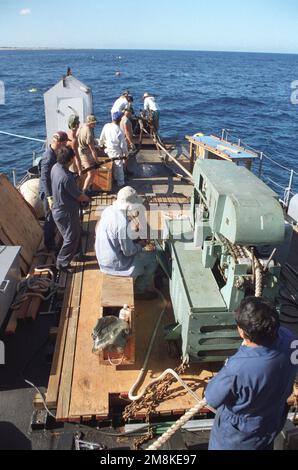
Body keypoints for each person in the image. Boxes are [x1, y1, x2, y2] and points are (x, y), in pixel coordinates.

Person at [205, 297, 298, 451]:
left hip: (239, 437)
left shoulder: (238, 368)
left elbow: (211, 398)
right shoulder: (290, 339)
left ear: (242, 332)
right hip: (271, 422)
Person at [95, 186, 158, 300]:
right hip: (114, 265)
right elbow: (128, 252)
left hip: (103, 259)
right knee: (153, 259)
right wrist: (140, 245)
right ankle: (140, 290)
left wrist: (133, 240)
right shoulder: (122, 224)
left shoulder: (108, 210)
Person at [51, 147, 90, 272]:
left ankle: (78, 255)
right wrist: (87, 199)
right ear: (71, 159)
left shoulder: (55, 168)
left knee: (75, 232)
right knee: (70, 238)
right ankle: (62, 263)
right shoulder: (66, 178)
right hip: (66, 213)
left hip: (60, 209)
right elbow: (79, 196)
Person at [39, 131, 70, 251]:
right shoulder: (48, 157)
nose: (66, 144)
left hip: (53, 190)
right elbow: (44, 178)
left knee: (53, 216)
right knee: (49, 217)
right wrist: (49, 197)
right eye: (65, 142)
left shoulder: (54, 153)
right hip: (48, 192)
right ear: (60, 142)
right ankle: (49, 244)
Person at [99, 111, 128, 188]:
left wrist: (101, 145)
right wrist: (126, 153)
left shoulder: (106, 126)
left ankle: (114, 179)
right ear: (119, 120)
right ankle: (121, 183)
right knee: (119, 166)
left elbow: (102, 137)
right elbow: (123, 145)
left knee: (113, 165)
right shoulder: (120, 130)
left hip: (108, 150)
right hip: (116, 151)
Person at [77, 114, 98, 194]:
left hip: (81, 150)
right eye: (93, 123)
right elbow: (92, 149)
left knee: (93, 172)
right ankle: (85, 191)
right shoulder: (89, 133)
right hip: (85, 154)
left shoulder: (82, 126)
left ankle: (89, 188)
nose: (95, 125)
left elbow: (76, 135)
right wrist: (97, 161)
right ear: (90, 123)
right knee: (91, 173)